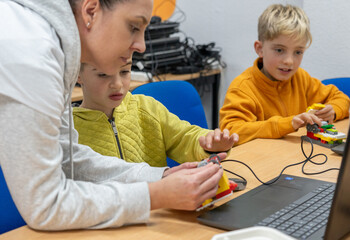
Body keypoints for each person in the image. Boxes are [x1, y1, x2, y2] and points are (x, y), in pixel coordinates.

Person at [0, 0, 227, 231]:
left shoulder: (54, 46)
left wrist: (159, 177)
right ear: (91, 11)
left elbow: (68, 156)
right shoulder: (31, 51)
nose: (141, 46)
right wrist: (154, 196)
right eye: (133, 26)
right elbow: (46, 207)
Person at [220, 4, 350, 145]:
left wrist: (333, 111)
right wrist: (287, 124)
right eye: (279, 50)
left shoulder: (301, 78)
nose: (289, 61)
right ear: (260, 49)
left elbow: (340, 98)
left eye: (298, 52)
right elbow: (232, 130)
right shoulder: (243, 88)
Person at [73, 63, 239, 167]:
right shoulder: (67, 130)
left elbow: (184, 136)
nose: (117, 84)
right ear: (77, 74)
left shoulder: (146, 107)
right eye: (103, 74)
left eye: (124, 71)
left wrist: (209, 143)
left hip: (157, 212)